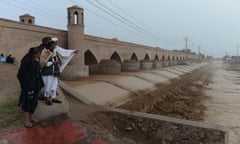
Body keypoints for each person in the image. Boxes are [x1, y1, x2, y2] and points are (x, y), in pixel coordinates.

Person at [17, 47, 43, 128]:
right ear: (34, 54)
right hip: (28, 86)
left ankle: (31, 118)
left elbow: (37, 74)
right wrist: (24, 85)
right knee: (27, 103)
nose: (39, 54)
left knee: (34, 102)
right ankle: (26, 120)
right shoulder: (26, 62)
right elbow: (20, 75)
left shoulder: (36, 62)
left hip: (36, 86)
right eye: (38, 53)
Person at [40, 37, 62, 105]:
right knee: (48, 86)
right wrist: (53, 63)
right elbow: (42, 63)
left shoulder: (54, 52)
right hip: (47, 73)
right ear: (50, 45)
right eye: (54, 45)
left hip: (54, 72)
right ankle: (48, 99)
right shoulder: (44, 52)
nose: (55, 46)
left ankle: (53, 97)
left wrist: (56, 63)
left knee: (54, 86)